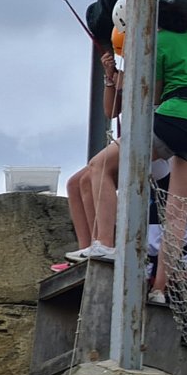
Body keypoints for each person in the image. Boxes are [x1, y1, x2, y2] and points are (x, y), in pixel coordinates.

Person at [86, 0, 187, 306]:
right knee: (177, 212)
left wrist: (121, 82)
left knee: (99, 166)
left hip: (175, 117)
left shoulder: (155, 40)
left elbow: (153, 96)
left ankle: (105, 243)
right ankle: (160, 288)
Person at [63, 27, 125, 264]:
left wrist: (124, 81)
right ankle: (86, 246)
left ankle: (103, 242)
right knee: (74, 182)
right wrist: (110, 77)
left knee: (92, 174)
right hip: (129, 140)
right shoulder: (130, 70)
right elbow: (111, 111)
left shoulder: (148, 68)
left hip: (149, 141)